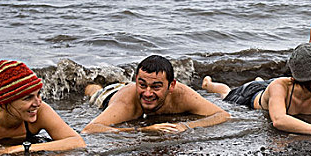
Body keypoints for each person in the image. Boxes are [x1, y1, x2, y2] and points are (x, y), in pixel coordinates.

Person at [202, 43, 311, 142]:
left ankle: (259, 80)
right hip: (249, 95)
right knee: (226, 93)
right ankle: (208, 83)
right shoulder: (280, 86)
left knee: (264, 84)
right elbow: (279, 121)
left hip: (271, 91)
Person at [82, 55, 230, 134]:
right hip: (110, 96)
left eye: (156, 87)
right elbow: (91, 129)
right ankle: (88, 84)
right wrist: (142, 130)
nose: (147, 93)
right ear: (136, 81)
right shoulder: (127, 101)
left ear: (171, 85)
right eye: (142, 85)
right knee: (95, 92)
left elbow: (222, 115)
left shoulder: (182, 94)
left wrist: (185, 126)